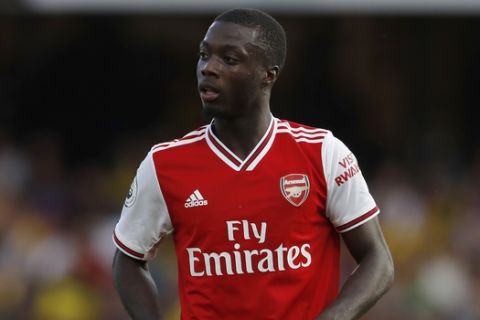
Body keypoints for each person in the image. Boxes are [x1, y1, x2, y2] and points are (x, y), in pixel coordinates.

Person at [112, 8, 394, 320]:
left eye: (229, 59)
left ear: (268, 74)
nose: (209, 68)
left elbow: (377, 260)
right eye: (204, 55)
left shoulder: (323, 153)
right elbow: (128, 259)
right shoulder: (164, 164)